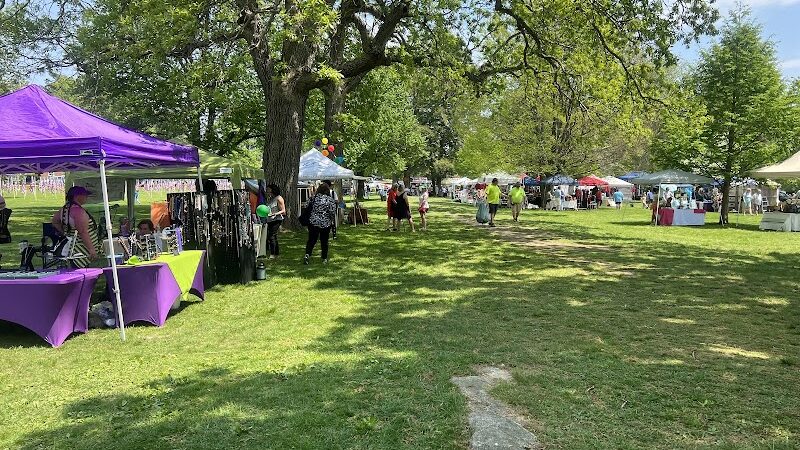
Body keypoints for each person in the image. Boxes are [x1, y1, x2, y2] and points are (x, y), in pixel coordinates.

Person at [51, 186, 100, 268]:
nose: (86, 197)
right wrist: (91, 249)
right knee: (82, 271)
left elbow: (55, 221)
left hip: (72, 245)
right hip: (80, 248)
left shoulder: (65, 209)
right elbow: (83, 232)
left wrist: (66, 233)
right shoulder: (78, 211)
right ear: (77, 196)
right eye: (85, 195)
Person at [304, 183, 337, 265]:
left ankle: (307, 254)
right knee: (324, 241)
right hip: (325, 223)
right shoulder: (329, 200)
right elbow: (332, 212)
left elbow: (306, 206)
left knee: (311, 240)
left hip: (313, 222)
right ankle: (324, 258)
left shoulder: (313, 198)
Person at [264, 184, 286, 259]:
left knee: (272, 236)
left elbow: (283, 211)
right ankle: (276, 253)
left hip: (276, 220)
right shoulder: (271, 198)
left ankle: (273, 254)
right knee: (273, 236)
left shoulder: (279, 198)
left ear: (273, 190)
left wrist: (274, 214)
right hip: (270, 220)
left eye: (268, 189)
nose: (267, 191)